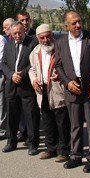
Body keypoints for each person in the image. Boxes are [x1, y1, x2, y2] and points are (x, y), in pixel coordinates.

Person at [54, 11, 90, 172]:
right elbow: (59, 66)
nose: (78, 25)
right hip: (72, 89)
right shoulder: (60, 42)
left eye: (79, 22)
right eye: (74, 23)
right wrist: (67, 83)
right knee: (75, 125)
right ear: (66, 26)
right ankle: (75, 156)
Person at [29, 24, 70, 162]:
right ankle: (50, 148)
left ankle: (64, 151)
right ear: (38, 38)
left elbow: (69, 68)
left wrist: (61, 76)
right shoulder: (35, 51)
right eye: (42, 37)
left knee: (62, 122)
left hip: (58, 90)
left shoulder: (60, 49)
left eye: (48, 36)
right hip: (42, 90)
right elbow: (32, 70)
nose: (46, 40)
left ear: (52, 35)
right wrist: (34, 80)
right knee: (47, 121)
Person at [1, 21, 40, 155]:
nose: (17, 35)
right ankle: (11, 142)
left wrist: (22, 74)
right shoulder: (8, 45)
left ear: (24, 30)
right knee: (12, 116)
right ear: (11, 33)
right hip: (11, 86)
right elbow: (3, 64)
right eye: (14, 33)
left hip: (27, 86)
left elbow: (34, 63)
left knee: (31, 116)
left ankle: (33, 144)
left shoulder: (32, 43)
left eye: (19, 32)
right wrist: (12, 75)